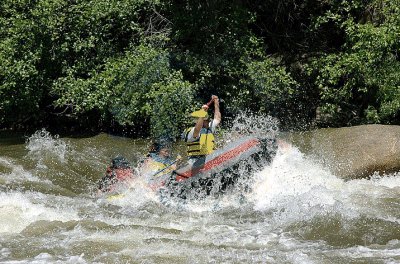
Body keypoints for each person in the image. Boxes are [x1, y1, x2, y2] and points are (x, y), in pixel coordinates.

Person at [182, 95, 221, 160]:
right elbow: (197, 129)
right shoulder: (191, 131)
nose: (207, 121)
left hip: (208, 158)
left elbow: (217, 118)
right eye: (204, 120)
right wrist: (203, 113)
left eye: (206, 119)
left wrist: (216, 102)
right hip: (194, 161)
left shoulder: (209, 127)